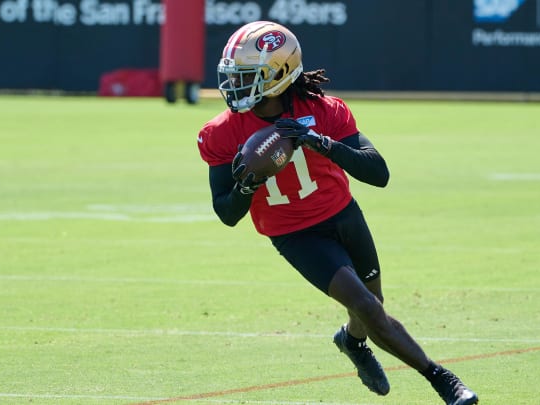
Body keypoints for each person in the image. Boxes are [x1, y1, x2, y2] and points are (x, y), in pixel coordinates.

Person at [197, 20, 479, 405]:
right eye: (232, 76)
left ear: (279, 74)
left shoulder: (323, 111)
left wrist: (320, 143)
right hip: (294, 233)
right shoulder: (220, 133)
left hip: (343, 215)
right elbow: (226, 213)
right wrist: (247, 185)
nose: (234, 86)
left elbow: (378, 173)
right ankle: (443, 380)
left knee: (371, 308)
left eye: (246, 76)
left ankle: (351, 340)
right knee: (363, 304)